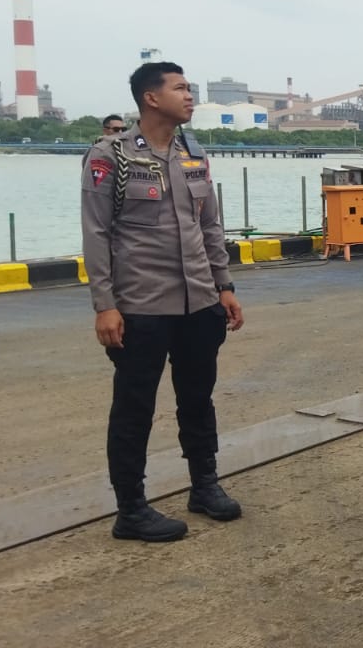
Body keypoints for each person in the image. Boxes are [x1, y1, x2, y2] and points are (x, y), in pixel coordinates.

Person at [81, 62, 245, 542]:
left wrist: (224, 285)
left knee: (197, 398)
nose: (189, 96)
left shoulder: (193, 151)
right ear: (151, 98)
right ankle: (131, 509)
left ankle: (204, 485)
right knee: (134, 408)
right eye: (180, 88)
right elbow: (96, 233)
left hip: (199, 302)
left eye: (189, 88)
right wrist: (104, 305)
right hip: (141, 305)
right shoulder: (111, 155)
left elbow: (209, 225)